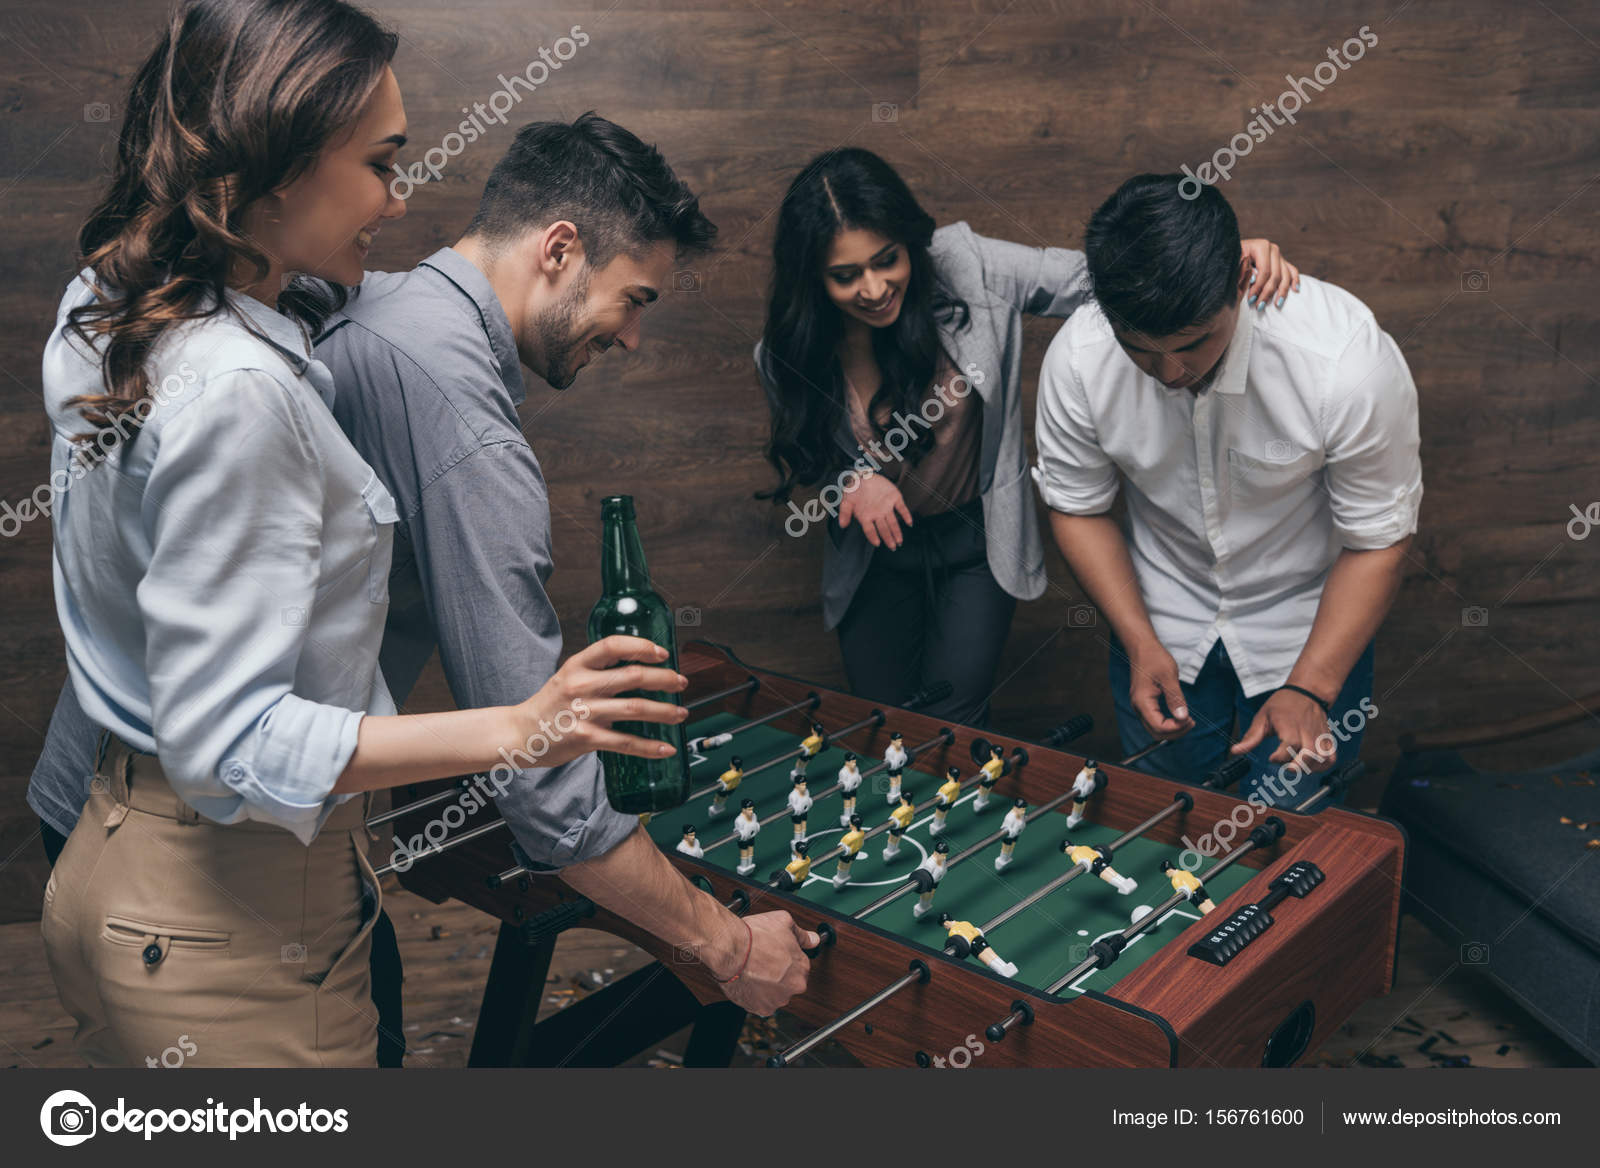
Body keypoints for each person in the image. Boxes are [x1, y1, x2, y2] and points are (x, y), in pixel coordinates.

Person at [33, 3, 812, 1068]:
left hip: (92, 825)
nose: (400, 197)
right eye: (633, 299)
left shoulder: (136, 293)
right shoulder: (355, 398)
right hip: (221, 889)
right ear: (560, 249)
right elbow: (544, 789)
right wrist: (720, 943)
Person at [754, 147, 1299, 727]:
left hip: (976, 545)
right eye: (845, 276)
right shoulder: (790, 351)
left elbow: (1097, 281)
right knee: (881, 723)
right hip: (874, 557)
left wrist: (1203, 268)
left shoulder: (967, 263)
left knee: (954, 722)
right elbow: (809, 455)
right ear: (813, 277)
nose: (873, 288)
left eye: (887, 260)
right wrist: (850, 480)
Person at [1034, 174, 1421, 806]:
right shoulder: (1078, 358)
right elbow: (1078, 508)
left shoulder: (1344, 363)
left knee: (1293, 845)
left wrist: (1313, 688)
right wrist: (1137, 637)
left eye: (1193, 344)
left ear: (1240, 283)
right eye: (1141, 351)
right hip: (1159, 620)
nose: (1170, 374)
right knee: (1164, 825)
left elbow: (1380, 539)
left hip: (1310, 631)